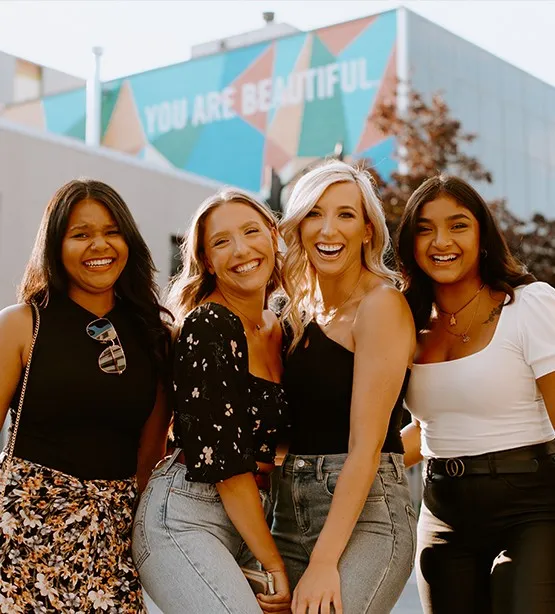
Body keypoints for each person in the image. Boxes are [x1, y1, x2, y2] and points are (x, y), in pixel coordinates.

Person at [0, 179, 171, 612]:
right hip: (21, 533)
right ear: (56, 245)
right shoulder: (21, 325)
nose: (100, 244)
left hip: (111, 542)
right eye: (81, 234)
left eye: (112, 231)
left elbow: (148, 463)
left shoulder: (156, 337)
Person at [397, 175, 555, 614]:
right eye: (425, 228)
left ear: (482, 235)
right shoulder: (407, 327)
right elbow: (430, 429)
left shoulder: (529, 305)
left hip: (533, 509)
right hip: (444, 513)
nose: (440, 241)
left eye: (458, 225)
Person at [132, 189, 291, 614]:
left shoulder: (280, 327)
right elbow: (226, 464)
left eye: (251, 231)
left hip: (250, 518)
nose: (241, 250)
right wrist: (273, 561)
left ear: (274, 236)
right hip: (185, 516)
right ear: (206, 261)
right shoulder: (209, 324)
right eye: (221, 242)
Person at [272, 160, 417, 614]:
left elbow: (365, 449)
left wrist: (324, 560)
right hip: (287, 509)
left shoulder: (381, 305)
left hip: (368, 515)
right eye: (314, 213)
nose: (327, 229)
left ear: (368, 230)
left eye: (345, 214)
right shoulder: (293, 313)